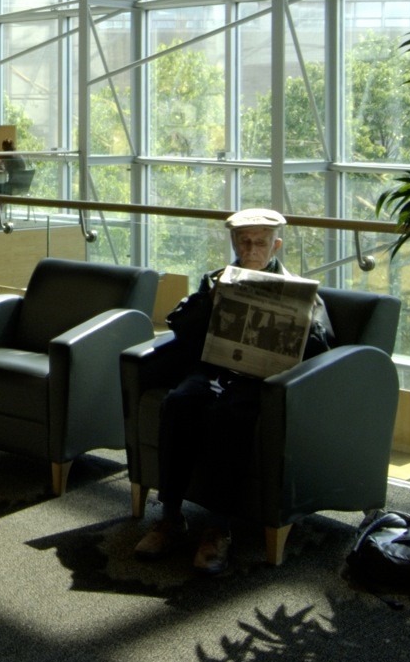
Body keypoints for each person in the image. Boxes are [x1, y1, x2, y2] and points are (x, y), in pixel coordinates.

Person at [133, 208, 333, 575]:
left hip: (262, 382)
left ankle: (218, 527)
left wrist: (300, 321)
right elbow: (184, 332)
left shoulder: (300, 289)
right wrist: (211, 299)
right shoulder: (215, 279)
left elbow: (322, 348)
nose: (250, 248)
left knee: (229, 416)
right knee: (179, 403)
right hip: (214, 369)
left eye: (259, 242)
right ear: (234, 242)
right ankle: (171, 516)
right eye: (244, 240)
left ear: (276, 245)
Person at [0, 139, 27, 225]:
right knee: (0, 191)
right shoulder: (19, 155)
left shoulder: (6, 155)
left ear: (4, 147)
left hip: (13, 186)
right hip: (23, 186)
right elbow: (13, 167)